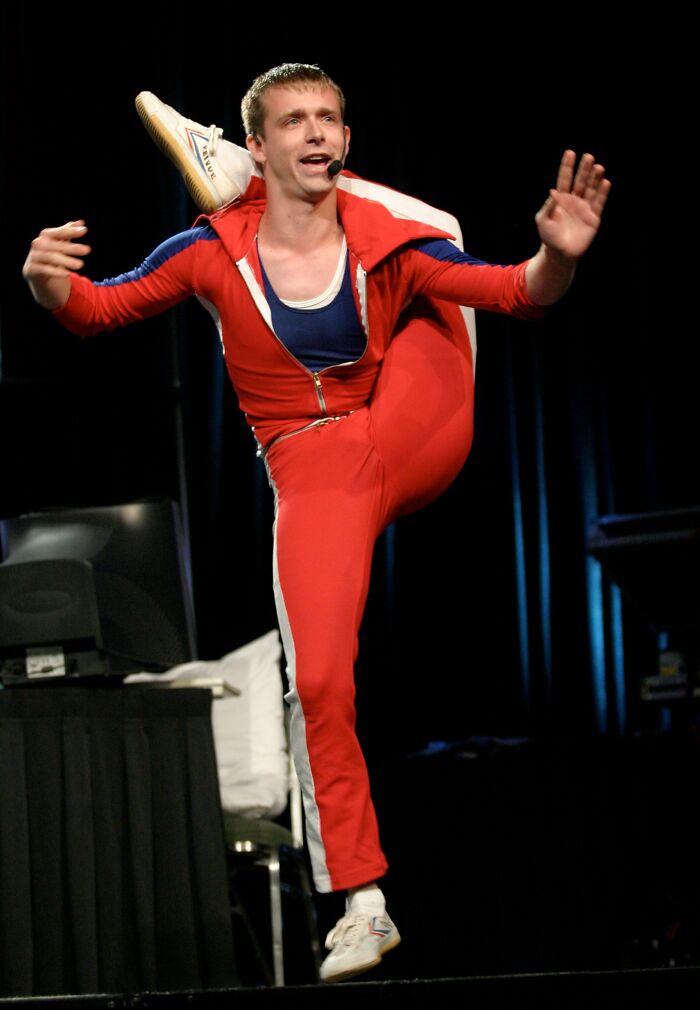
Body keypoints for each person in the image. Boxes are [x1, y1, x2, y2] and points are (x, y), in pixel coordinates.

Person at [22, 63, 610, 984]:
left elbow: (514, 292)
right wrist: (45, 285)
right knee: (322, 681)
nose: (319, 132)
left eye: (330, 119)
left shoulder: (384, 237)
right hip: (311, 462)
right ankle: (363, 905)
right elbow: (99, 312)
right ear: (262, 143)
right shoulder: (209, 252)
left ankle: (260, 172)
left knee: (437, 246)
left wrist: (559, 257)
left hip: (417, 414)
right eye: (294, 121)